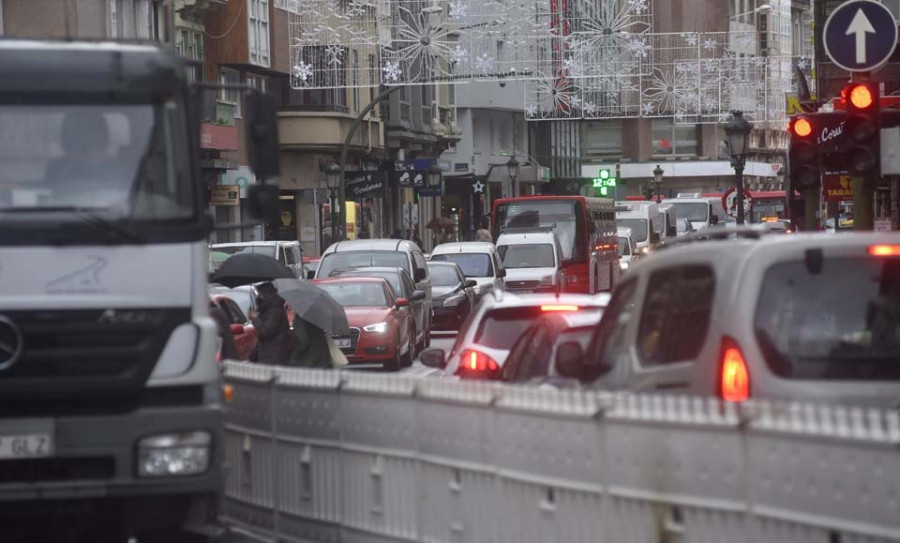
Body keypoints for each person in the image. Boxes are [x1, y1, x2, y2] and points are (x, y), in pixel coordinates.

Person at [249, 282, 294, 365]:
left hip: (274, 356)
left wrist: (255, 318)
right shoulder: (269, 309)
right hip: (271, 354)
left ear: (267, 295)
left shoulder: (275, 311)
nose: (259, 297)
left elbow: (264, 332)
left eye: (260, 294)